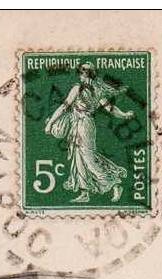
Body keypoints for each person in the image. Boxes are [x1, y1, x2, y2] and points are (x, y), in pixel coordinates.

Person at [44, 62, 135, 204]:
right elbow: (110, 109)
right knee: (78, 156)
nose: (80, 76)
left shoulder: (77, 88)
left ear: (83, 74)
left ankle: (114, 184)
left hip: (83, 124)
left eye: (81, 73)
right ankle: (84, 192)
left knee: (88, 157)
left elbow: (64, 107)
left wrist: (50, 123)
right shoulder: (98, 90)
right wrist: (123, 115)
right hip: (83, 123)